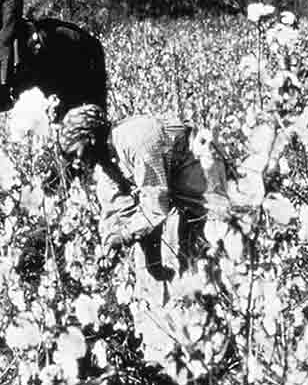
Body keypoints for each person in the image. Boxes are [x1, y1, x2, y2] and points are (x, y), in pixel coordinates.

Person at [56, 105, 229, 282]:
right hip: (171, 185)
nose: (76, 163)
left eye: (75, 153)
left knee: (223, 239)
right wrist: (110, 244)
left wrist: (124, 236)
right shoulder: (106, 163)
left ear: (90, 138)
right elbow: (119, 210)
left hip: (199, 164)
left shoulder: (136, 140)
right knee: (190, 265)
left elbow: (155, 207)